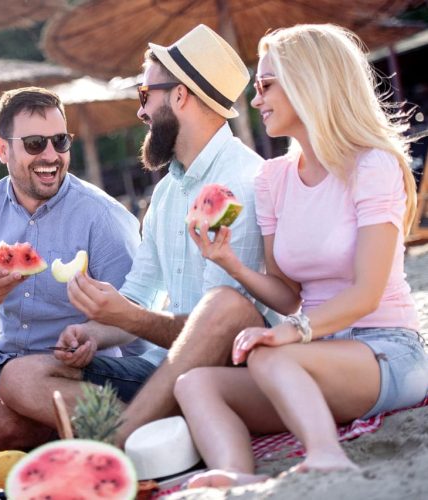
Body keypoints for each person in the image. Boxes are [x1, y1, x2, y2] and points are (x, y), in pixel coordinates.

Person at [0, 24, 276, 463]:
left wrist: (129, 319)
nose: (140, 111)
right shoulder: (169, 193)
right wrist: (93, 334)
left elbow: (219, 327)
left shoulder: (242, 184)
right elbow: (138, 295)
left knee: (16, 399)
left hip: (218, 371)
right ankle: (153, 430)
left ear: (180, 96)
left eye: (144, 94)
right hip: (159, 370)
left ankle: (125, 440)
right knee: (18, 379)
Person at [174, 24, 428, 488]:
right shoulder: (273, 179)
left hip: (385, 350)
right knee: (195, 384)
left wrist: (293, 334)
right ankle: (235, 473)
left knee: (270, 357)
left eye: (266, 85)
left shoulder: (372, 165)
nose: (255, 100)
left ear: (309, 83)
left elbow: (368, 293)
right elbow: (289, 295)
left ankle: (326, 457)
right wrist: (228, 261)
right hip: (314, 356)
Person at [0, 86, 142, 466]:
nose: (51, 156)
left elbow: (137, 317)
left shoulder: (102, 216)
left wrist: (92, 337)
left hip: (70, 373)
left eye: (60, 141)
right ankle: (40, 433)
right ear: (3, 150)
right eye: (34, 143)